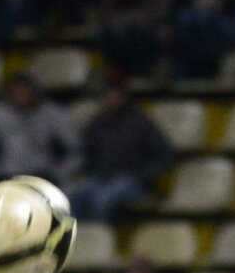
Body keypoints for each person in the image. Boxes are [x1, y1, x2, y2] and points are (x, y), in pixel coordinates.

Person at [68, 78, 172, 224]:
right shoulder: (98, 123)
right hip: (100, 178)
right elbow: (87, 153)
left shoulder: (140, 122)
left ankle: (99, 236)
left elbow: (165, 155)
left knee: (102, 200)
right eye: (108, 94)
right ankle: (77, 236)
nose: (111, 98)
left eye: (115, 94)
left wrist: (143, 174)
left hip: (132, 180)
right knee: (73, 196)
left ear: (124, 96)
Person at [0, 72, 81, 189]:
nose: (22, 96)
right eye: (18, 92)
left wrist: (58, 173)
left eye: (26, 92)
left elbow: (74, 149)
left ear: (35, 92)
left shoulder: (53, 114)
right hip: (7, 176)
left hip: (44, 175)